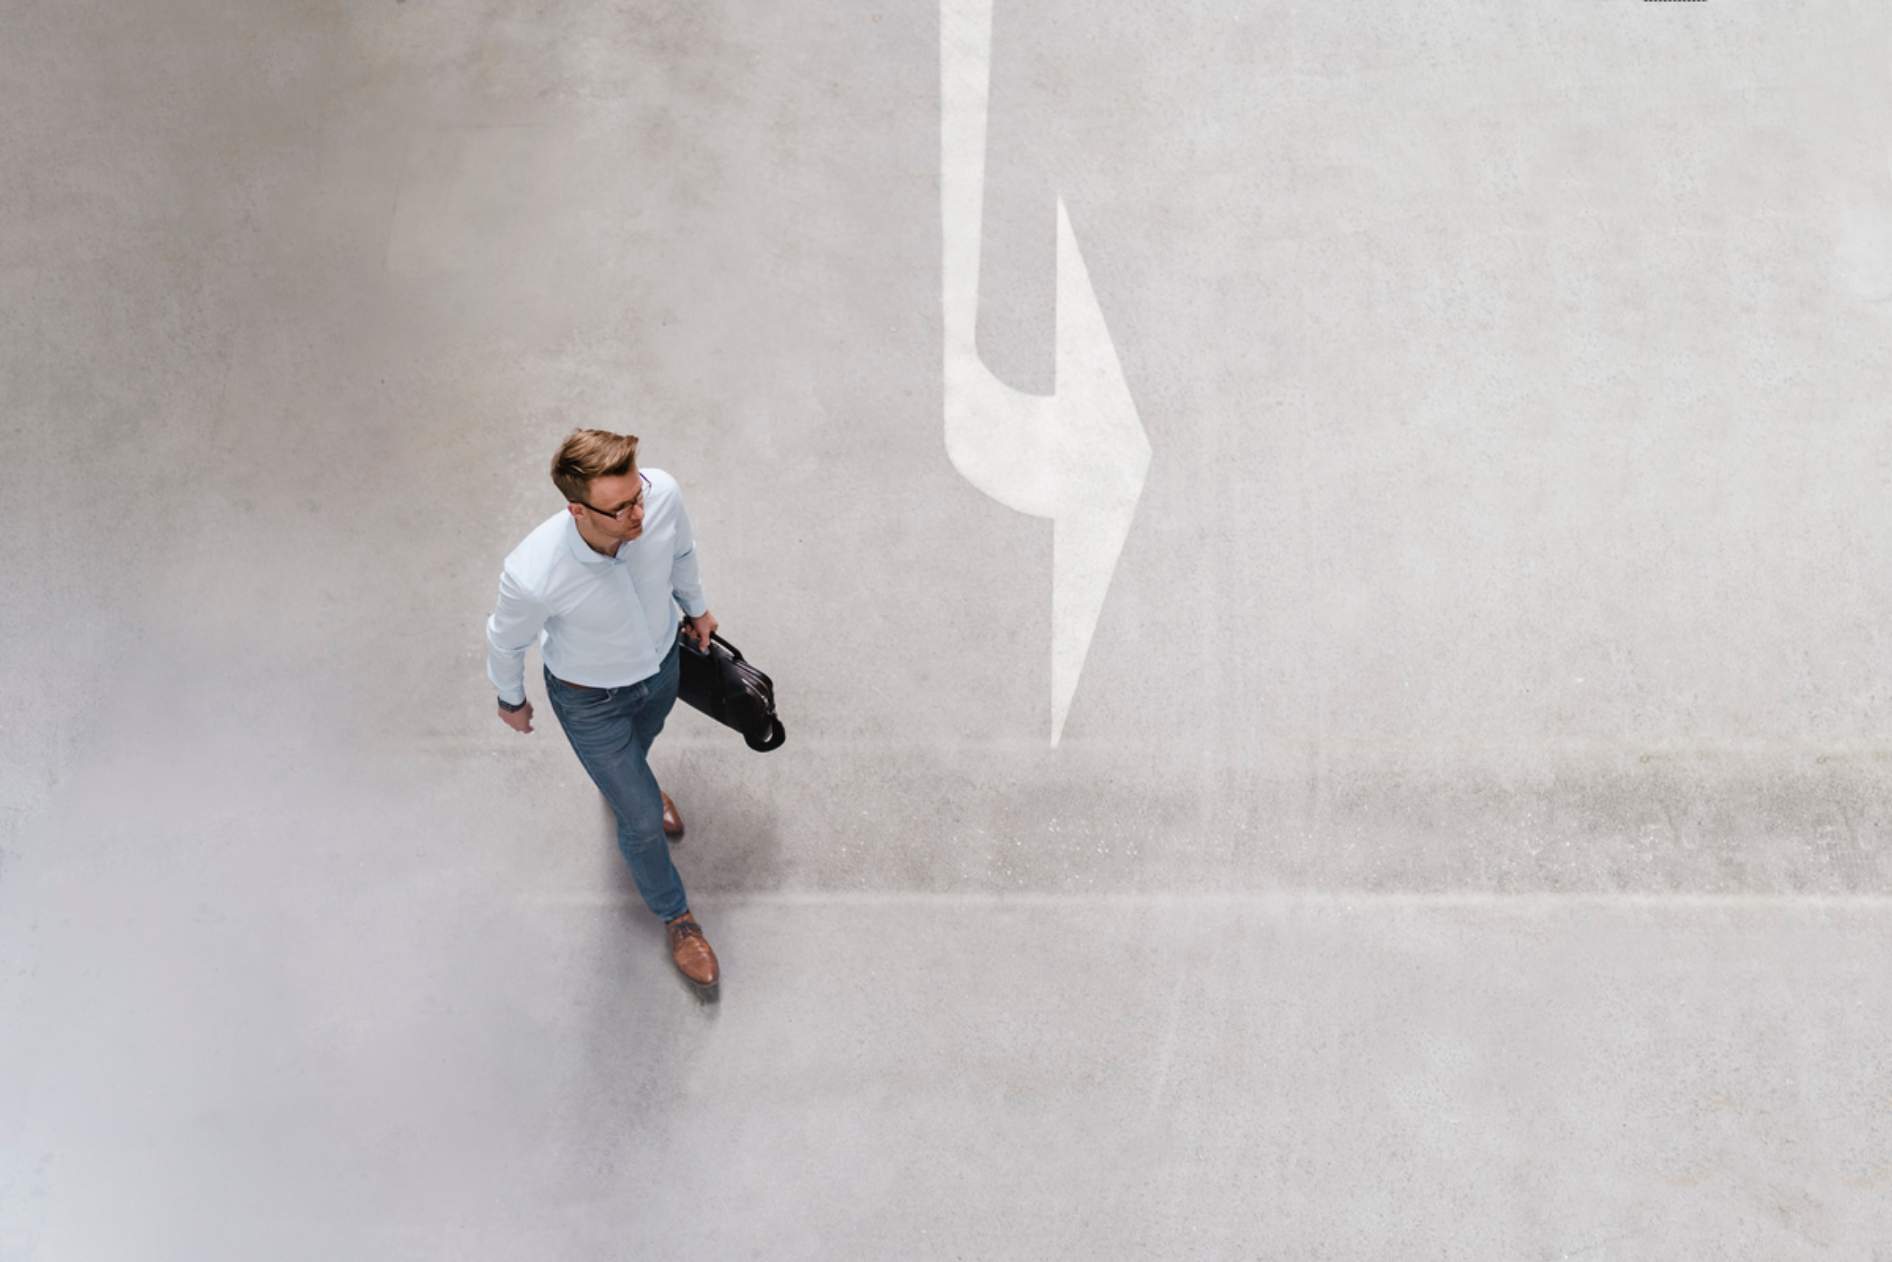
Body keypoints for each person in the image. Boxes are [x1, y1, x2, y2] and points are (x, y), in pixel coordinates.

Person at [484, 428, 722, 989]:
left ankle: (630, 782)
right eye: (619, 510)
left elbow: (682, 551)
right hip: (592, 699)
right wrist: (510, 698)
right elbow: (505, 640)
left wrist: (698, 607)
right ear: (576, 509)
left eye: (636, 494)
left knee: (643, 748)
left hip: (663, 667)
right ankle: (678, 919)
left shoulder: (661, 494)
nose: (638, 514)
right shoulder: (534, 573)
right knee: (640, 821)